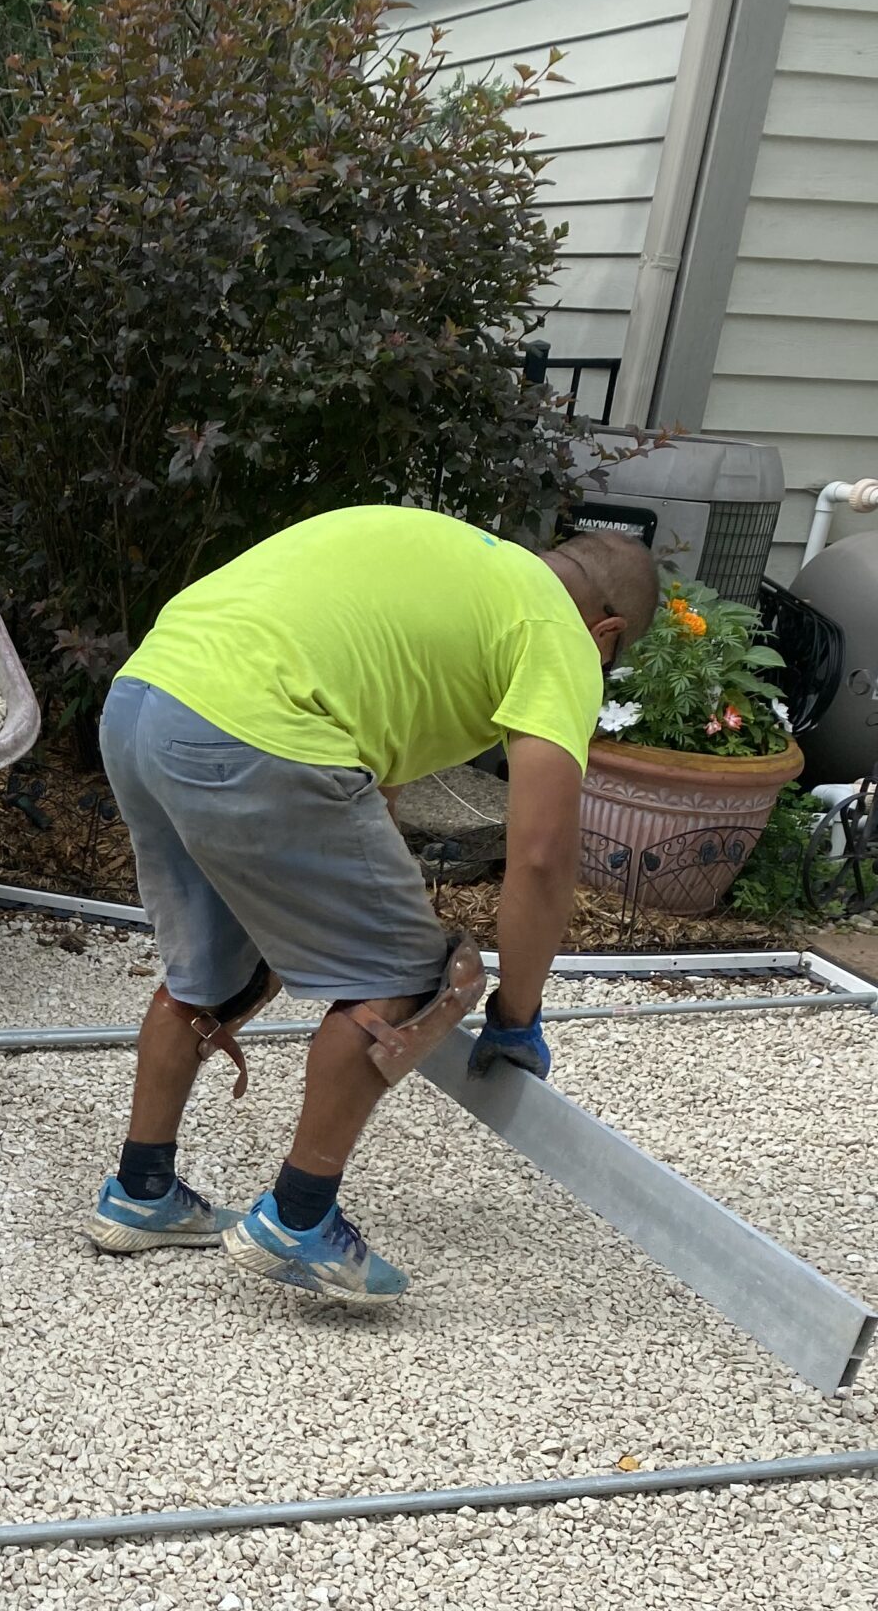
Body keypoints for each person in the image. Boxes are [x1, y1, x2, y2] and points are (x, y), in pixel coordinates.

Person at [86, 505, 661, 1302]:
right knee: (411, 975)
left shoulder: (462, 568)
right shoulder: (556, 632)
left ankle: (140, 1191)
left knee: (214, 973)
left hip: (144, 702)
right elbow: (541, 856)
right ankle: (299, 1220)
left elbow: (369, 772)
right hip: (252, 728)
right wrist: (516, 1015)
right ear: (606, 633)